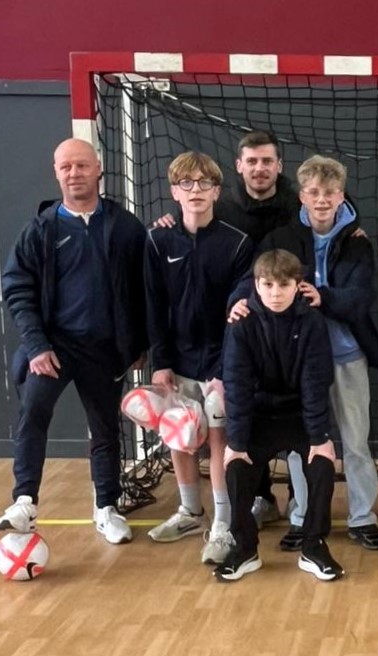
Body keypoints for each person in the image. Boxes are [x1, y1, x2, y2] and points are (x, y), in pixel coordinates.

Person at [231, 155, 378, 552]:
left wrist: (324, 297)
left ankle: (362, 517)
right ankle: (301, 517)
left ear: (341, 196)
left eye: (330, 192)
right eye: (314, 192)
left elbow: (361, 297)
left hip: (346, 355)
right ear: (301, 196)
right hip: (295, 360)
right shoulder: (280, 238)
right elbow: (253, 280)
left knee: (355, 441)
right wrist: (237, 303)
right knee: (301, 445)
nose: (321, 200)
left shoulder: (357, 242)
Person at [0, 138, 147, 543]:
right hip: (53, 348)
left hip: (105, 350)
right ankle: (24, 502)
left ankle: (106, 507)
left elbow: (145, 288)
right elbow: (17, 289)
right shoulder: (40, 230)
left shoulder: (125, 227)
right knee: (33, 412)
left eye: (81, 165)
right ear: (56, 173)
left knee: (105, 429)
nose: (74, 173)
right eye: (66, 167)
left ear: (98, 168)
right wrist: (37, 345)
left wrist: (138, 343)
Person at [142, 152, 253, 564]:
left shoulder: (237, 243)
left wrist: (225, 370)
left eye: (205, 183)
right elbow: (153, 306)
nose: (195, 190)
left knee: (220, 440)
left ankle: (222, 522)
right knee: (180, 434)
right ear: (174, 192)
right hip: (178, 361)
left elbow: (240, 310)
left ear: (217, 191)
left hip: (222, 363)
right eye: (186, 183)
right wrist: (161, 362)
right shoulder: (157, 241)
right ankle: (191, 511)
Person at [215, 249, 343, 582]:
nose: (275, 293)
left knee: (323, 463)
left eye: (283, 285)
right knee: (236, 467)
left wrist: (319, 438)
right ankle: (244, 549)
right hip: (259, 417)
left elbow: (316, 383)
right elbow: (237, 386)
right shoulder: (241, 324)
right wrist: (236, 443)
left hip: (298, 415)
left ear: (297, 285)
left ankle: (314, 547)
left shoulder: (312, 322)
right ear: (256, 285)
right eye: (267, 284)